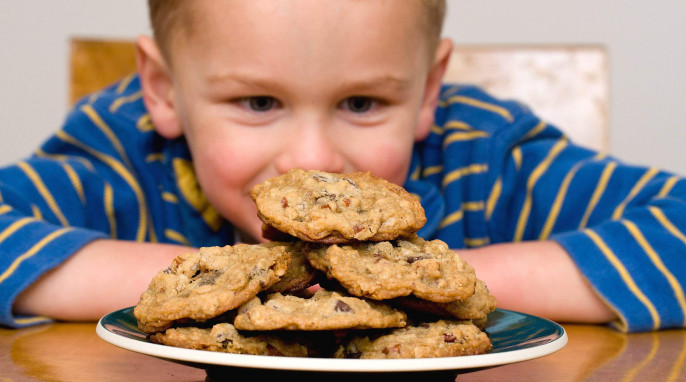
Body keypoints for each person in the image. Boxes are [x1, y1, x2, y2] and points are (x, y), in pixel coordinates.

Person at [1, 0, 684, 332]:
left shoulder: (482, 157)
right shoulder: (124, 153)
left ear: (427, 92)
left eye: (361, 102)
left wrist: (429, 285)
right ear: (163, 91)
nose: (314, 163)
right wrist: (206, 283)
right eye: (258, 101)